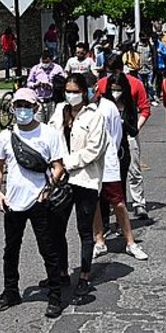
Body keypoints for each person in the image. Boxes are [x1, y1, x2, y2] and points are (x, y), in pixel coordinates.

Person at [0, 88, 67, 315]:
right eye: (18, 105)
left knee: (47, 248)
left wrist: (48, 188)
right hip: (13, 201)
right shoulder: (6, 135)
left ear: (35, 108)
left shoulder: (48, 134)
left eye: (26, 105)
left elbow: (59, 166)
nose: (21, 110)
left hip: (39, 200)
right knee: (11, 248)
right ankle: (10, 291)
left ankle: (55, 295)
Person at [46, 73, 108, 309]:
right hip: (62, 180)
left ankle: (84, 274)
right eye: (68, 91)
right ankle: (62, 272)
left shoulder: (94, 116)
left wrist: (66, 162)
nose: (71, 95)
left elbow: (94, 150)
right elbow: (51, 136)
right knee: (56, 227)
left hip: (85, 179)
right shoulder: (60, 110)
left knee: (84, 228)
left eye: (75, 91)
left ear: (84, 92)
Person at [92, 71, 149, 262]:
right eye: (112, 89)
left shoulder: (128, 106)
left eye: (118, 89)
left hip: (120, 152)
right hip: (100, 156)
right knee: (97, 198)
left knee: (118, 196)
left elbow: (133, 128)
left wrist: (124, 123)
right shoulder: (102, 105)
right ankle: (102, 232)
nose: (115, 92)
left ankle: (127, 237)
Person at [95, 55, 152, 218]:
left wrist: (135, 128)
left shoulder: (135, 84)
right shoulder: (102, 84)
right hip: (107, 136)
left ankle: (138, 203)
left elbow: (145, 108)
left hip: (128, 134)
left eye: (112, 72)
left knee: (133, 169)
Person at [27, 53, 65, 123]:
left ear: (51, 60)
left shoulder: (57, 68)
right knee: (38, 123)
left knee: (52, 123)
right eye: (43, 62)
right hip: (39, 101)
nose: (45, 64)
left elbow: (62, 83)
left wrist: (51, 85)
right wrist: (36, 85)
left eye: (47, 62)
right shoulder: (35, 69)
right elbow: (29, 83)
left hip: (52, 101)